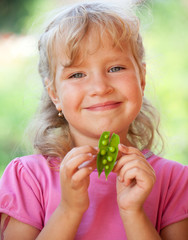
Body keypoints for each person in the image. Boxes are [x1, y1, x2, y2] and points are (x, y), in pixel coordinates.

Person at [0, 2, 188, 239]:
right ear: (54, 93)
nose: (100, 88)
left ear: (141, 78)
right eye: (77, 74)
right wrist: (69, 210)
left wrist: (133, 212)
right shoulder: (27, 179)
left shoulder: (175, 182)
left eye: (116, 68)